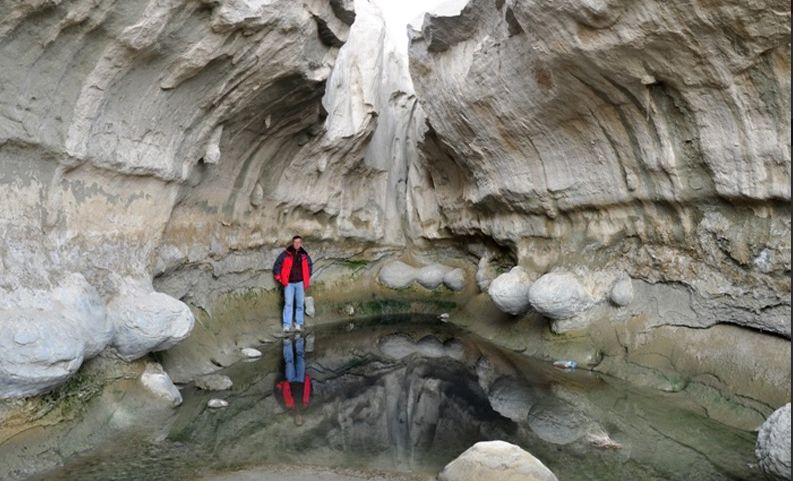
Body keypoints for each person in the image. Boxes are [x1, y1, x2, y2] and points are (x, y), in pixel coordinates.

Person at [272, 235, 313, 333]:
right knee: (288, 303)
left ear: (301, 243)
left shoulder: (304, 255)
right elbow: (277, 265)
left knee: (299, 304)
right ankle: (287, 325)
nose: (297, 244)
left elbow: (310, 265)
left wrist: (307, 277)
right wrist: (279, 278)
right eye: (295, 242)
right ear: (292, 243)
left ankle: (298, 323)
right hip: (289, 283)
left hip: (300, 283)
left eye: (299, 242)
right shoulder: (286, 254)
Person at [274, 334, 311, 426]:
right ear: (303, 418)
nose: (298, 418)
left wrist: (278, 387)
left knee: (289, 362)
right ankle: (298, 340)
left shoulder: (288, 408)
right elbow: (311, 392)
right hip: (301, 379)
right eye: (300, 420)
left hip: (290, 381)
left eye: (297, 420)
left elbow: (279, 397)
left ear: (294, 419)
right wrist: (309, 382)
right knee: (300, 358)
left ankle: (287, 343)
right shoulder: (306, 406)